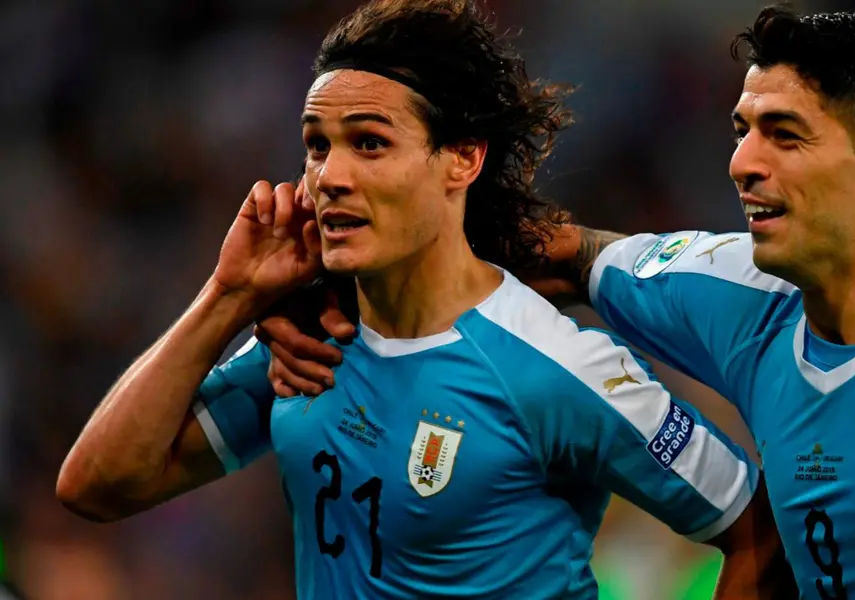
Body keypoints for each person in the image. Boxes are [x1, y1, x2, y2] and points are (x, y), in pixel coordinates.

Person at [261, 6, 855, 599]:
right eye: (743, 128)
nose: (741, 162)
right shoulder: (724, 289)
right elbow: (534, 250)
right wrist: (316, 292)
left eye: (784, 135)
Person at [55, 1, 794, 598]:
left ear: (462, 159)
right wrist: (229, 295)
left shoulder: (553, 366)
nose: (330, 176)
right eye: (317, 145)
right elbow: (97, 485)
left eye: (369, 143)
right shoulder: (309, 343)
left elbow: (752, 527)